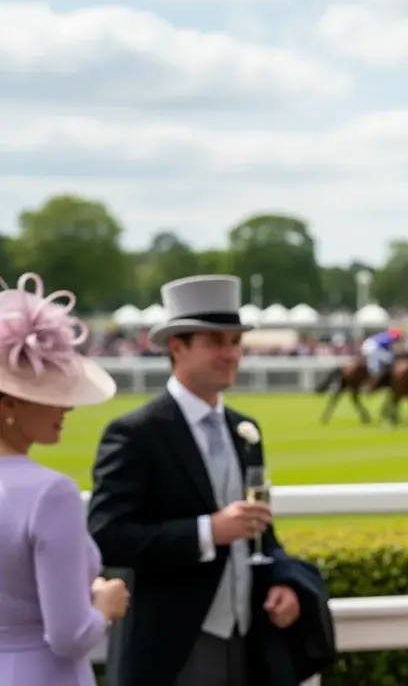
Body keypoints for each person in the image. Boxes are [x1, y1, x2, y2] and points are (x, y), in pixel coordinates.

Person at [87, 275, 311, 686]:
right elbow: (107, 534)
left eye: (235, 342)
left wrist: (283, 581)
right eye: (215, 342)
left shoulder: (246, 430)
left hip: (247, 637)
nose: (230, 354)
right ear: (177, 347)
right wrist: (207, 531)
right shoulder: (136, 433)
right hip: (172, 645)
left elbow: (259, 532)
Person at [0, 273, 129, 686]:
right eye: (50, 393)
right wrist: (105, 605)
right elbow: (69, 636)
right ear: (9, 405)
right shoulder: (50, 492)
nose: (67, 405)